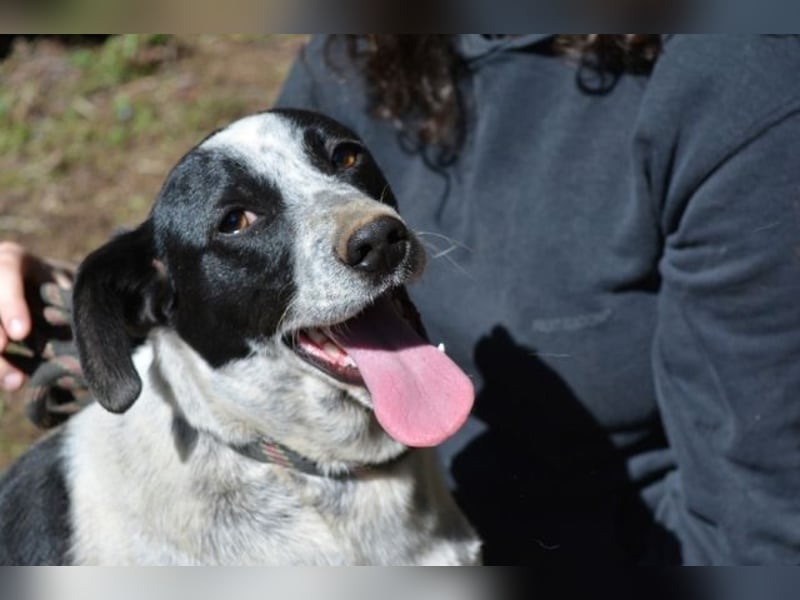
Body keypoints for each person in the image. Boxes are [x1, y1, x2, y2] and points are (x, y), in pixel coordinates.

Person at [2, 34, 800, 565]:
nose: (365, 224)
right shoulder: (371, 43)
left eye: (346, 164)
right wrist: (68, 296)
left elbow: (761, 517)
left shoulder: (737, 83)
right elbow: (218, 269)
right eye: (241, 219)